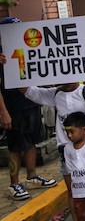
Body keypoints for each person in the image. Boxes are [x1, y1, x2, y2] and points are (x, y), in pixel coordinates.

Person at [0, 53, 85, 221]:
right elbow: (28, 91)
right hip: (67, 151)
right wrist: (10, 68)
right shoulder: (54, 94)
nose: (63, 82)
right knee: (72, 189)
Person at [0, 18, 56, 200]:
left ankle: (32, 176)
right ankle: (14, 184)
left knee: (32, 142)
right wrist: (4, 112)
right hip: (13, 108)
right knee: (16, 147)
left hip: (31, 103)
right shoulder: (2, 56)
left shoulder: (27, 49)